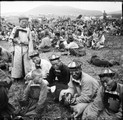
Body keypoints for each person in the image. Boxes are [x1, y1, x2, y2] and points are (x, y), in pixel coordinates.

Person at [9, 16, 34, 81]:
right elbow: (11, 38)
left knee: (26, 62)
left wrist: (30, 51)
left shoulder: (28, 30)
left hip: (25, 48)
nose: (24, 23)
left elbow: (30, 40)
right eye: (23, 22)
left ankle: (27, 76)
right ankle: (17, 76)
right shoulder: (15, 28)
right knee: (17, 62)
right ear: (19, 22)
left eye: (25, 22)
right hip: (17, 47)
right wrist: (12, 47)